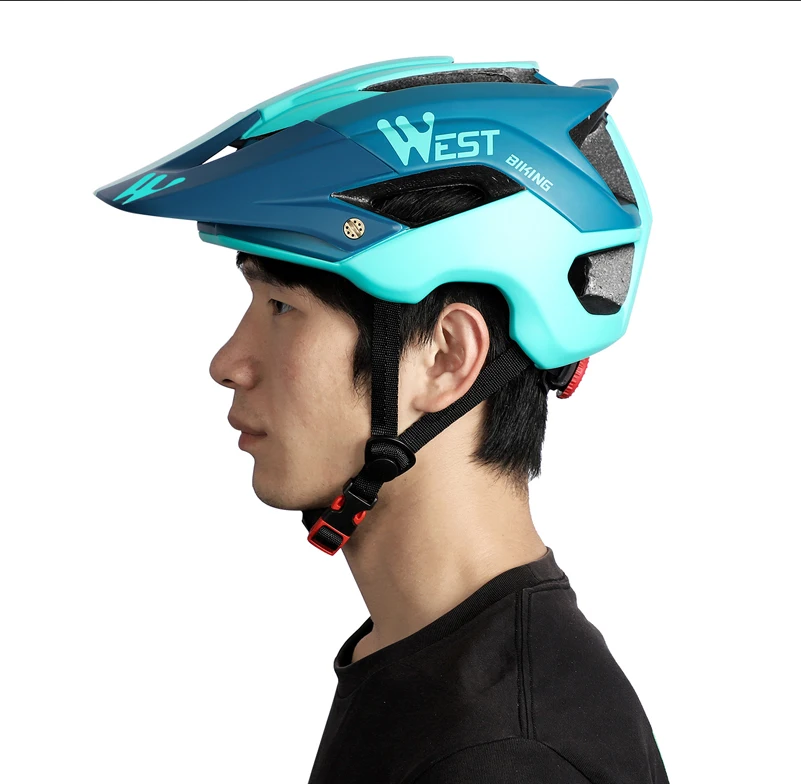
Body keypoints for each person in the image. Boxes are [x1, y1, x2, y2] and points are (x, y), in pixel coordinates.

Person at [95, 56, 668, 783]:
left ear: (445, 357)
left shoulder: (508, 756)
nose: (227, 363)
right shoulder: (428, 660)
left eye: (282, 307)